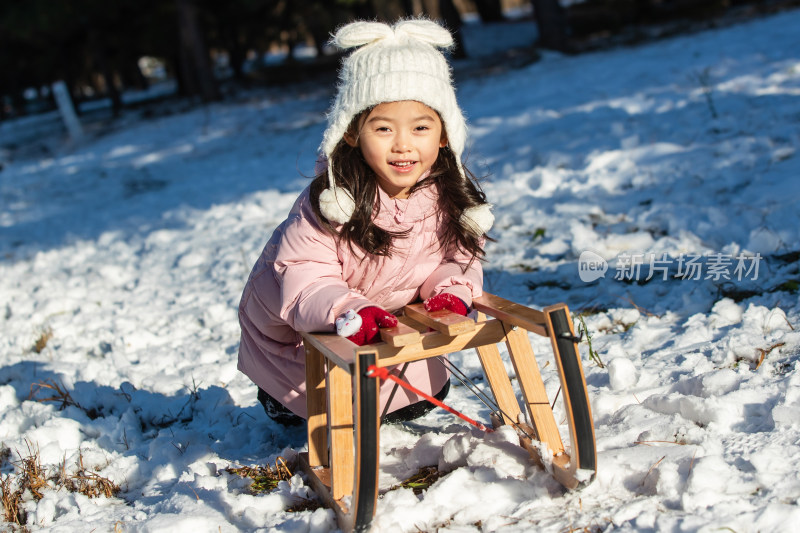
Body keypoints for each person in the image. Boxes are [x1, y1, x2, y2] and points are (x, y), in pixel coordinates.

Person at [237, 18, 494, 427]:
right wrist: (347, 310)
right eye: (383, 128)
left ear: (444, 134)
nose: (403, 144)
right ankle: (280, 401)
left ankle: (379, 397)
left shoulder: (447, 196)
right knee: (308, 407)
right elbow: (304, 276)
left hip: (380, 321)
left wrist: (450, 289)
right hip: (299, 337)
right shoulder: (330, 203)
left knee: (425, 396)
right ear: (353, 133)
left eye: (421, 128)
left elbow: (459, 257)